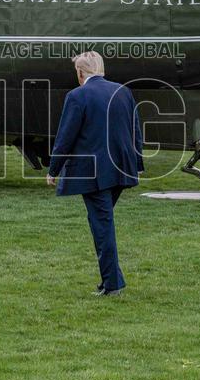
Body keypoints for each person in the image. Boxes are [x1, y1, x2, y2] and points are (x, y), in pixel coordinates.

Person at [46, 51, 144, 297]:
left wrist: (53, 169)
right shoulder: (123, 91)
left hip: (94, 172)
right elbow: (135, 129)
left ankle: (112, 284)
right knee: (102, 222)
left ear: (80, 73)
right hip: (122, 167)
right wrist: (137, 163)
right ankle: (111, 280)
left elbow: (66, 136)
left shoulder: (77, 96)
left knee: (102, 225)